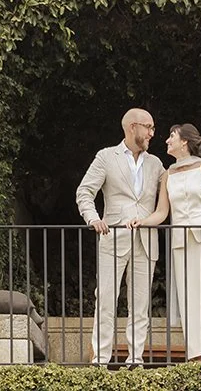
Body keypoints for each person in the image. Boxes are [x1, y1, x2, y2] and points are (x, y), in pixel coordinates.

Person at [127, 123, 201, 361]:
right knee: (190, 297)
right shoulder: (167, 175)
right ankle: (197, 357)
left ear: (185, 141)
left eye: (171, 136)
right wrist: (142, 221)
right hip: (181, 241)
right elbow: (161, 213)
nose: (166, 140)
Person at [75, 108, 163, 369]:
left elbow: (175, 192)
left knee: (141, 304)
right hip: (112, 238)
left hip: (146, 241)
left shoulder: (156, 164)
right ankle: (100, 360)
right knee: (105, 300)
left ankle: (135, 359)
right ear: (133, 127)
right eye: (149, 127)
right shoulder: (106, 157)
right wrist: (92, 219)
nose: (152, 133)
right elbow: (84, 192)